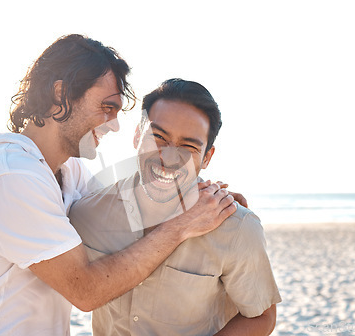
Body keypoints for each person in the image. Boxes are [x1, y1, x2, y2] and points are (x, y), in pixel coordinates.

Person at [0, 35, 237, 336]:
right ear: (61, 94)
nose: (114, 124)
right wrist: (183, 224)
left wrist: (213, 201)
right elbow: (86, 291)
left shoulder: (70, 170)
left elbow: (129, 214)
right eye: (106, 107)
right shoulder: (11, 178)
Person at [69, 78, 282, 336]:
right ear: (137, 134)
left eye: (189, 146)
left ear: (207, 157)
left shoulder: (238, 228)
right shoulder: (85, 215)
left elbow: (261, 316)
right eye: (158, 137)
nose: (169, 157)